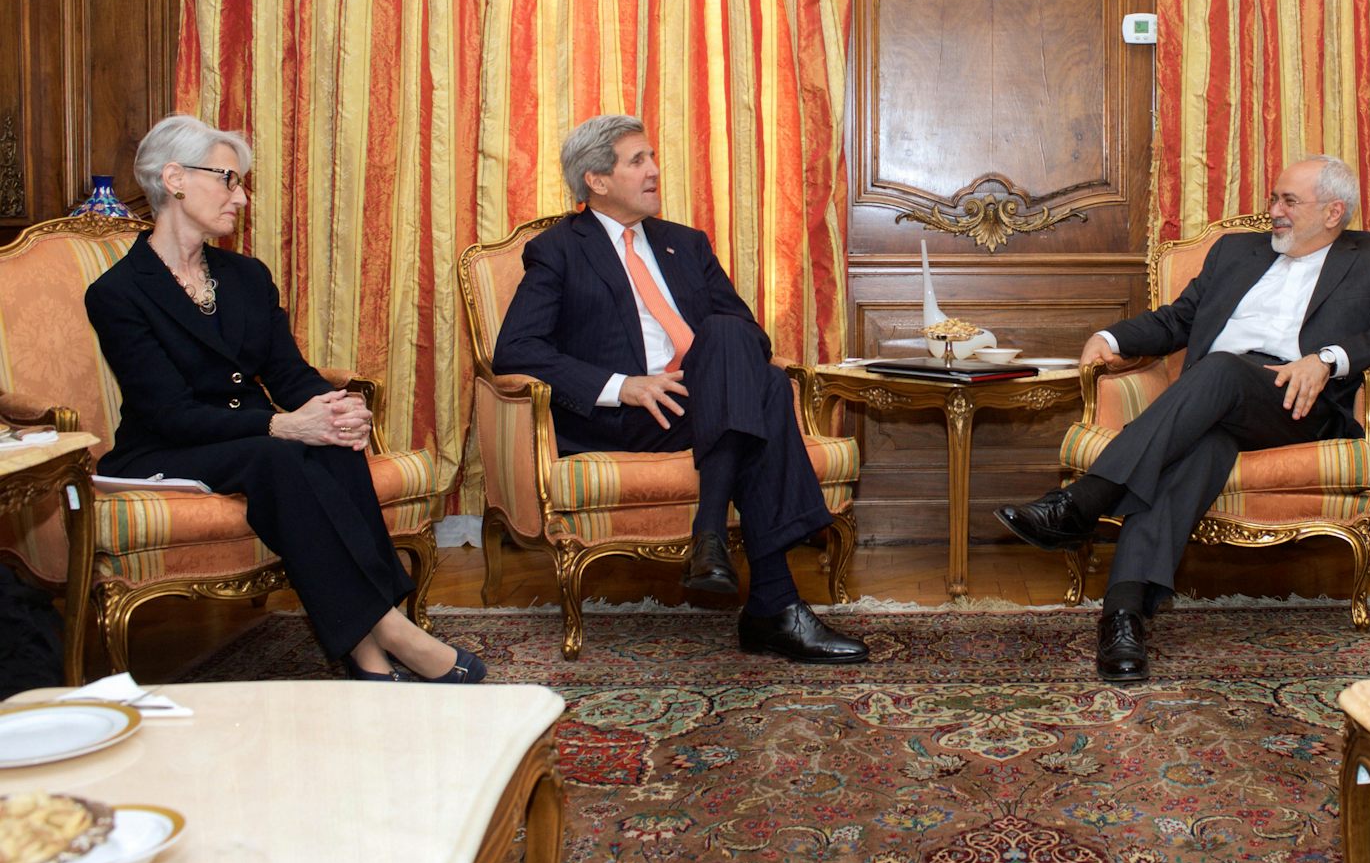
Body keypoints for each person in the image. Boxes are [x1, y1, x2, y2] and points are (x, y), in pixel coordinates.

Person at [86, 115, 484, 683]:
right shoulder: (118, 293)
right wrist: (281, 426)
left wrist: (334, 407)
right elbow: (167, 413)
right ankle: (392, 627)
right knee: (278, 451)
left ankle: (368, 656)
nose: (241, 197)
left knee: (330, 442)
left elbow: (289, 374)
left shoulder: (246, 276)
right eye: (229, 179)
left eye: (241, 182)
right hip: (165, 449)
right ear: (173, 178)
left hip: (244, 437)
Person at [996, 155, 1370, 681]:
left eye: (1288, 201)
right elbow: (1179, 319)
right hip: (1210, 405)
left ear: (1334, 212)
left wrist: (1328, 359)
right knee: (1197, 449)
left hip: (1295, 405)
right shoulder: (1236, 251)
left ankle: (1084, 502)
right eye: (1273, 198)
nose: (1273, 211)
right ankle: (1123, 616)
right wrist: (1111, 338)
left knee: (1220, 369)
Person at [492, 114, 866, 664]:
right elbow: (517, 349)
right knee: (760, 389)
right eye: (637, 160)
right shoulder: (559, 251)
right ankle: (770, 602)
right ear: (595, 179)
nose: (654, 170)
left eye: (652, 157)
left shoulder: (685, 244)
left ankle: (717, 542)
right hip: (629, 416)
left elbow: (749, 334)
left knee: (733, 342)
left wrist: (712, 364)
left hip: (705, 402)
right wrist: (623, 386)